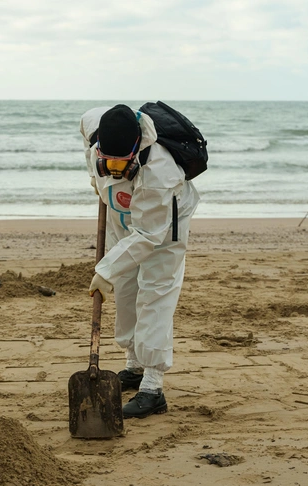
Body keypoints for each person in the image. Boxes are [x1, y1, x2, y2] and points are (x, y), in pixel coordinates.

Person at [80, 104, 201, 419]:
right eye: (109, 161)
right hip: (123, 219)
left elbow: (148, 236)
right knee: (126, 289)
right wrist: (94, 176)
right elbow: (84, 130)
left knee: (154, 294)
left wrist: (104, 270)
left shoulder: (160, 171)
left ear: (137, 149)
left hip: (163, 227)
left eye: (123, 162)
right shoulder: (94, 125)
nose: (115, 168)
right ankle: (133, 365)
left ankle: (152, 386)